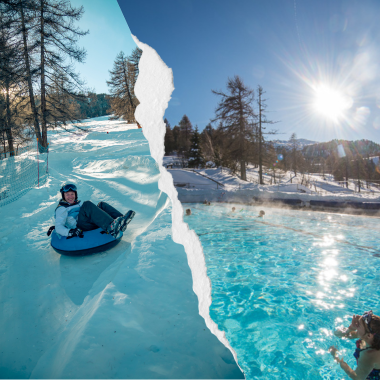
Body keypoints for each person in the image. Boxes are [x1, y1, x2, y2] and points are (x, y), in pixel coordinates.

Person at [55, 183, 136, 239]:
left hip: (87, 221)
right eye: (67, 194)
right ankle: (111, 228)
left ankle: (122, 221)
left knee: (101, 205)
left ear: (75, 194)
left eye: (72, 194)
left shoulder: (77, 203)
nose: (70, 196)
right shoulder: (62, 208)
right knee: (87, 204)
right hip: (80, 227)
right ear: (63, 196)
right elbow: (58, 227)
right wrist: (70, 232)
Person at [329, 310, 380, 380]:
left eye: (358, 325)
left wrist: (337, 358)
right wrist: (350, 328)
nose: (356, 326)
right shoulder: (367, 336)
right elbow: (337, 334)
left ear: (369, 335)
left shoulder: (369, 356)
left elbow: (357, 377)